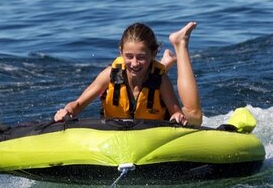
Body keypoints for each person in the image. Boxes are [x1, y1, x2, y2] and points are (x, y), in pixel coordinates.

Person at [54, 22, 203, 126]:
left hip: (154, 125)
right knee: (141, 70)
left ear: (153, 54)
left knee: (195, 116)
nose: (134, 62)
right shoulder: (110, 74)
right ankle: (163, 62)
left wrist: (177, 116)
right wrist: (67, 110)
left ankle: (180, 43)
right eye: (129, 56)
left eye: (141, 57)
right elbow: (78, 104)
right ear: (121, 52)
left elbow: (175, 112)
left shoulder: (161, 80)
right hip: (120, 127)